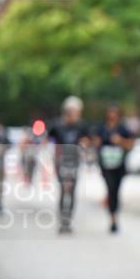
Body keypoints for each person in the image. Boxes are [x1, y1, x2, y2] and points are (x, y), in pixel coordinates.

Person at [49, 96, 91, 234]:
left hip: (75, 162)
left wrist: (85, 144)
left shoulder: (81, 126)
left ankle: (69, 220)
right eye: (75, 111)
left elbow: (88, 140)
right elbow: (48, 138)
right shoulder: (57, 125)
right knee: (62, 190)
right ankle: (62, 220)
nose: (77, 115)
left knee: (72, 191)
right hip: (60, 162)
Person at [93, 105, 135, 233]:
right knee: (110, 188)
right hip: (105, 165)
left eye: (114, 113)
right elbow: (95, 143)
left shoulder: (123, 129)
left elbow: (131, 145)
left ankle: (114, 216)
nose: (112, 116)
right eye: (110, 113)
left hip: (119, 165)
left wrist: (120, 141)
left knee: (116, 191)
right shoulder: (101, 128)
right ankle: (112, 219)